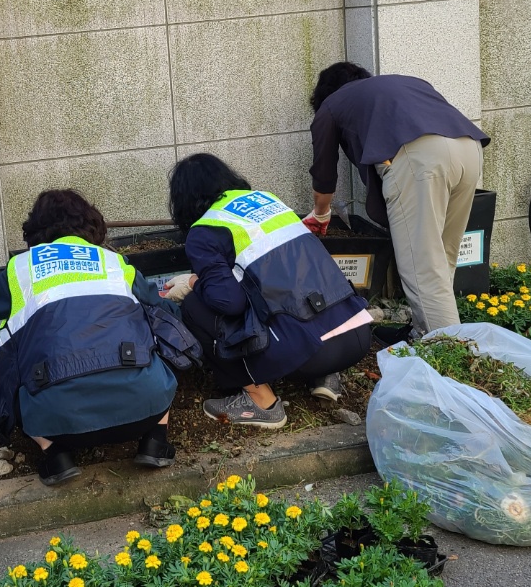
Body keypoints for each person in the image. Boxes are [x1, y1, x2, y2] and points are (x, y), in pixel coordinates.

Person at [0, 189, 179, 486]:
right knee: (158, 353)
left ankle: (54, 454)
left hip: (56, 419)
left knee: (3, 371)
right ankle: (155, 440)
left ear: (35, 230)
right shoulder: (114, 262)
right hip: (142, 407)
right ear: (91, 224)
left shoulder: (20, 268)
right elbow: (162, 308)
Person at [162, 154, 371, 425]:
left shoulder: (203, 231)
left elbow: (230, 303)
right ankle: (326, 377)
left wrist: (193, 283)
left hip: (310, 353)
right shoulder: (268, 201)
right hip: (356, 336)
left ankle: (261, 401)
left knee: (194, 306)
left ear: (184, 200)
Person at [304, 64, 489, 336]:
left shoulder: (331, 105)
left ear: (324, 93)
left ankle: (449, 354)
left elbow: (323, 173)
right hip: (468, 149)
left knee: (421, 266)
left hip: (421, 160)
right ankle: (423, 333)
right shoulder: (405, 84)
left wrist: (320, 214)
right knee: (442, 254)